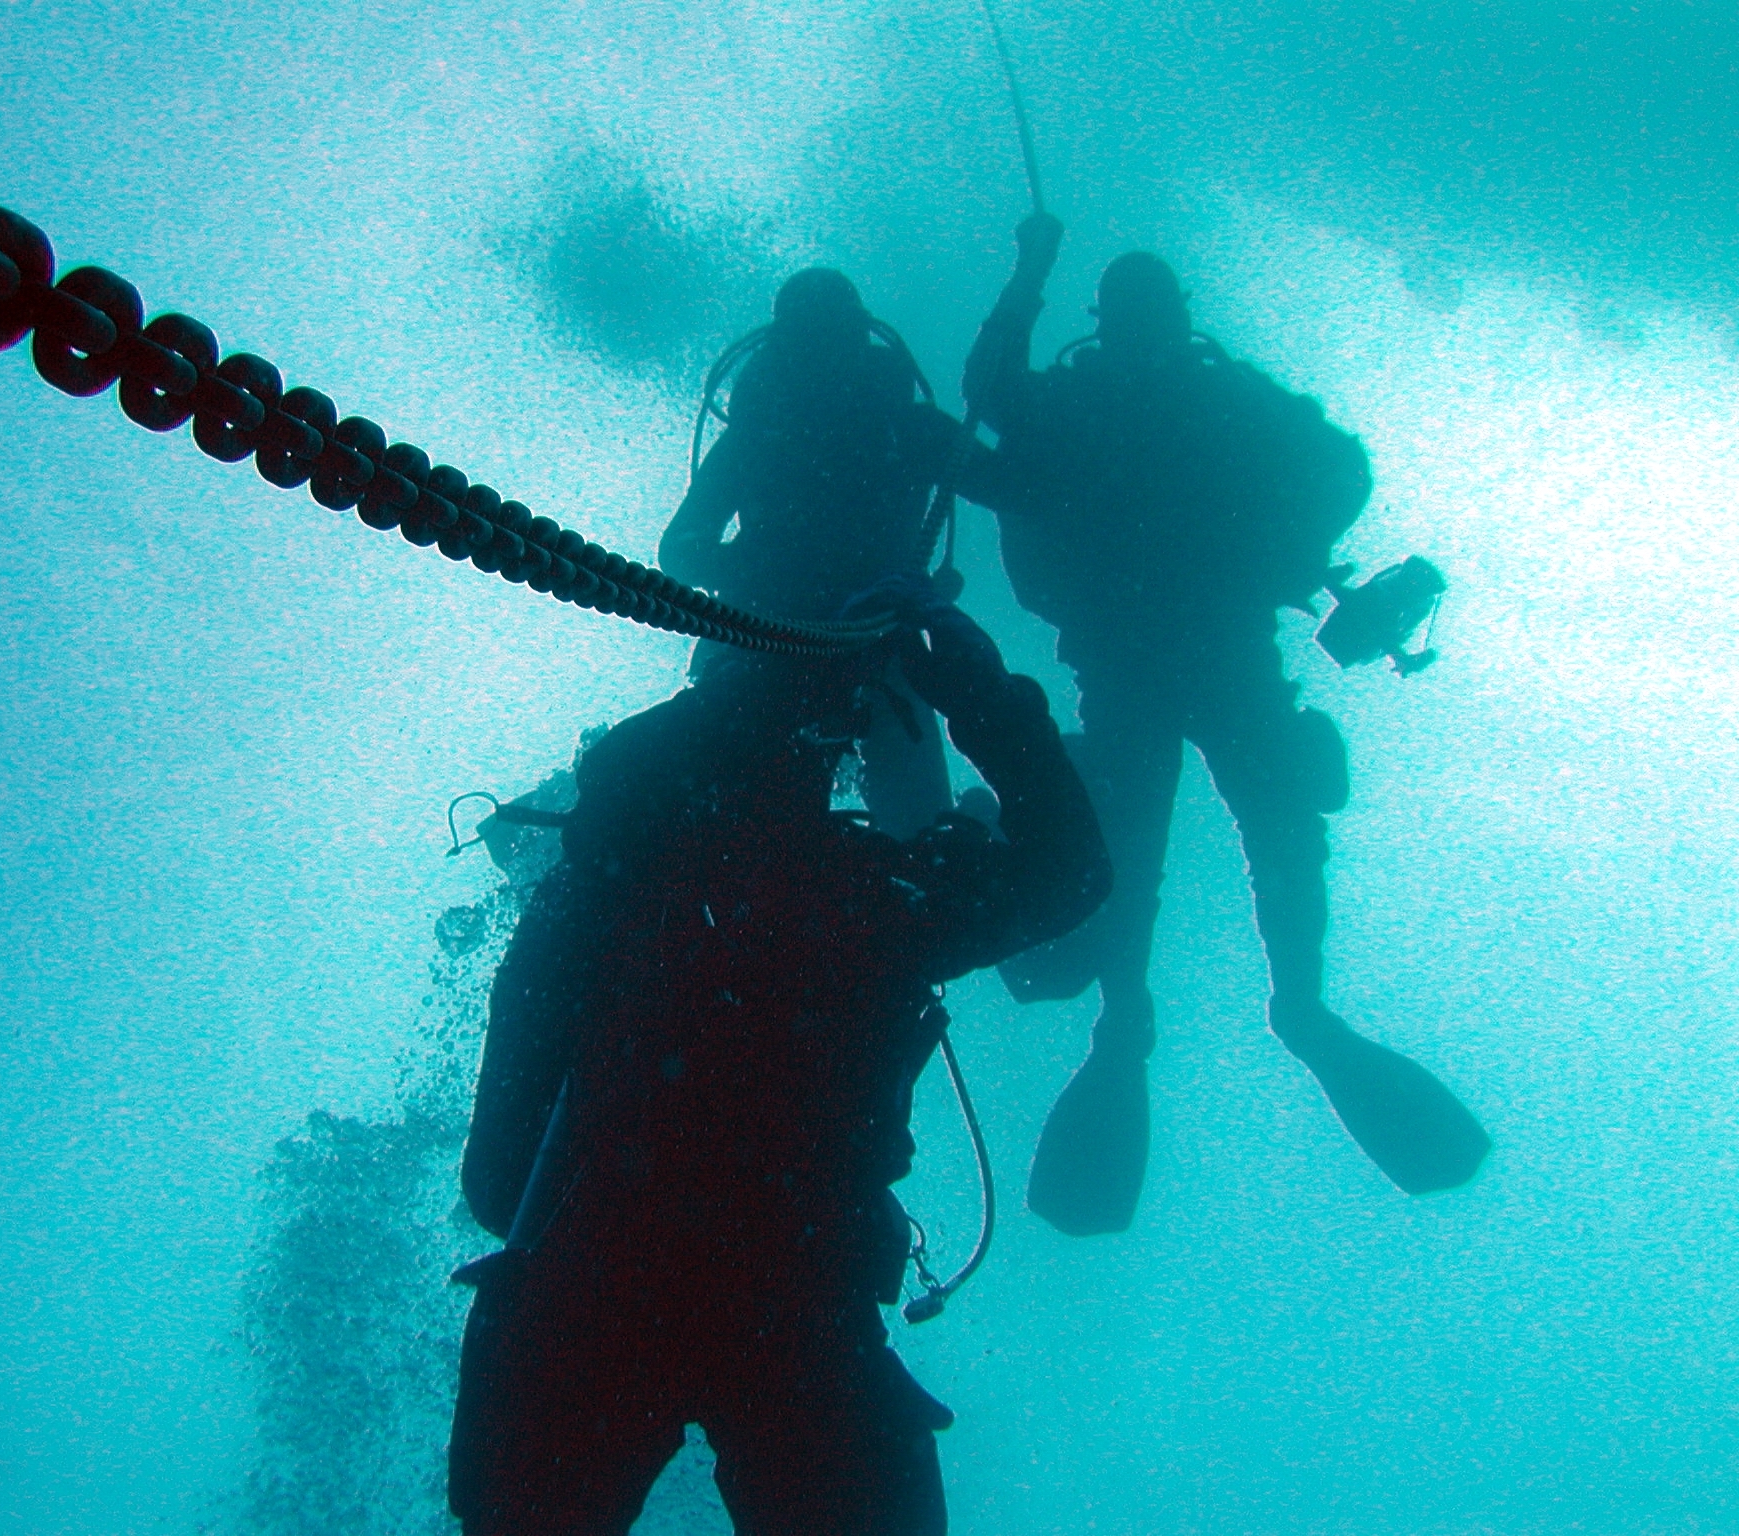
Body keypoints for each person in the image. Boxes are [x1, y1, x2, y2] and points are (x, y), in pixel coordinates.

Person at [448, 583, 1111, 1535]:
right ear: (818, 747)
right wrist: (975, 687)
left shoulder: (589, 901)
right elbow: (1071, 871)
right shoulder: (864, 897)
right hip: (797, 1311)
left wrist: (612, 1235)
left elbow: (494, 1179)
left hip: (587, 1297)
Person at [964, 216, 1490, 1236]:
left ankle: (1127, 1022)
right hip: (1223, 662)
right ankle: (1296, 1005)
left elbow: (987, 391)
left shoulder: (1074, 401)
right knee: (1276, 839)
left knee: (1129, 859)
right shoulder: (1222, 397)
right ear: (1178, 320)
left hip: (1128, 670)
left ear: (1102, 323)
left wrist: (1027, 269)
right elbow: (1342, 466)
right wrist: (1276, 549)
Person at [657, 269, 976, 839]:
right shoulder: (903, 428)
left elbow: (681, 551)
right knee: (916, 835)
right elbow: (679, 552)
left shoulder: (773, 436)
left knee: (732, 838)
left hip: (801, 641)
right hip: (795, 640)